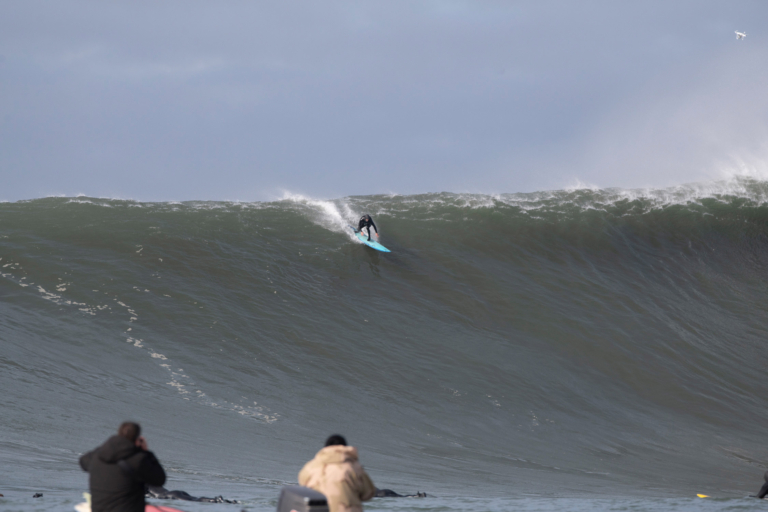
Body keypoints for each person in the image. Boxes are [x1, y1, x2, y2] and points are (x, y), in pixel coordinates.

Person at [79, 422, 166, 512]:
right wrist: (147, 452)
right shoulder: (138, 459)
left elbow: (83, 462)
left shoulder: (97, 456)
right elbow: (160, 479)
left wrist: (103, 448)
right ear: (137, 440)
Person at [298, 435, 376, 512]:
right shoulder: (353, 467)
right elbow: (368, 493)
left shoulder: (310, 466)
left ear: (325, 448)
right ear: (345, 448)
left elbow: (303, 487)